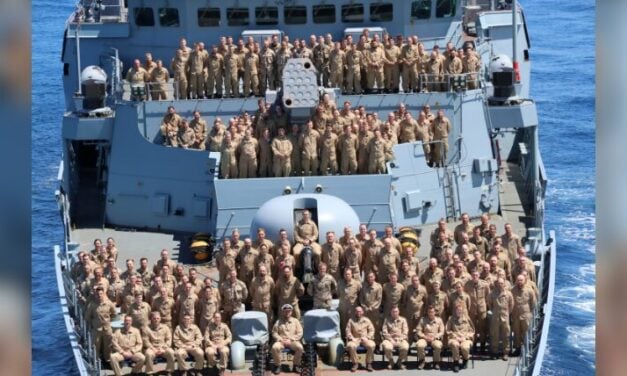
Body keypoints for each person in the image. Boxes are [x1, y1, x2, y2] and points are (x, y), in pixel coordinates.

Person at [271, 304, 304, 374]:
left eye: (289, 311)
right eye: (285, 311)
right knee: (274, 347)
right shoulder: (278, 321)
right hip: (281, 341)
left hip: (292, 341)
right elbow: (274, 333)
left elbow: (300, 333)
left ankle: (296, 365)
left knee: (300, 347)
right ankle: (278, 365)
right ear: (283, 312)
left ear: (291, 312)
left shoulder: (296, 321)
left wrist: (291, 339)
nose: (287, 313)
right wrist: (280, 339)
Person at [488, 277, 514, 360]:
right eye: (498, 283)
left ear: (504, 284)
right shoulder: (492, 294)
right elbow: (490, 304)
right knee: (494, 334)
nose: (500, 285)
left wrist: (506, 313)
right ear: (496, 284)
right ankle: (494, 352)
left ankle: (505, 353)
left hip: (505, 316)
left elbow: (511, 305)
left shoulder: (508, 294)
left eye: (502, 283)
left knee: (506, 335)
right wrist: (495, 311)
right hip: (495, 316)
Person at [511, 274, 537, 354]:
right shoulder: (512, 290)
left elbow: (533, 303)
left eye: (521, 280)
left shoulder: (529, 291)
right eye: (518, 280)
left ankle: (527, 348)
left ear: (524, 281)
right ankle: (518, 348)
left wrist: (529, 313)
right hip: (515, 315)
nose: (519, 282)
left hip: (525, 315)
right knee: (516, 332)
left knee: (526, 332)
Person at [345, 306, 375, 372]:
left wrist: (367, 337)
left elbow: (372, 330)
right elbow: (348, 331)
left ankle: (368, 363)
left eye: (360, 311)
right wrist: (352, 338)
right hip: (355, 339)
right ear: (355, 312)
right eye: (357, 311)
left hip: (365, 339)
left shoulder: (366, 320)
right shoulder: (351, 320)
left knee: (372, 345)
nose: (358, 313)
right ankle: (355, 363)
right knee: (351, 346)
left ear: (362, 312)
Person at [446, 303, 475, 372]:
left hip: (465, 338)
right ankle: (456, 363)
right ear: (455, 311)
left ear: (463, 311)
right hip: (454, 338)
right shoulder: (451, 318)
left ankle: (465, 359)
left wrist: (465, 337)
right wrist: (455, 336)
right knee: (455, 344)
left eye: (460, 310)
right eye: (458, 310)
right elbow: (447, 330)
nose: (459, 311)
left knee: (464, 347)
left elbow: (472, 331)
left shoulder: (467, 318)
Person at [416, 305, 445, 369]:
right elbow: (418, 330)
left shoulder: (439, 320)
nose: (431, 313)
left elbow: (442, 331)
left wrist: (434, 337)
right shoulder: (423, 319)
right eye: (429, 312)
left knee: (438, 345)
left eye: (432, 312)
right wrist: (424, 337)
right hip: (425, 338)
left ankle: (436, 362)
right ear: (427, 312)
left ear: (435, 312)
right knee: (419, 345)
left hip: (434, 339)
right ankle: (422, 361)